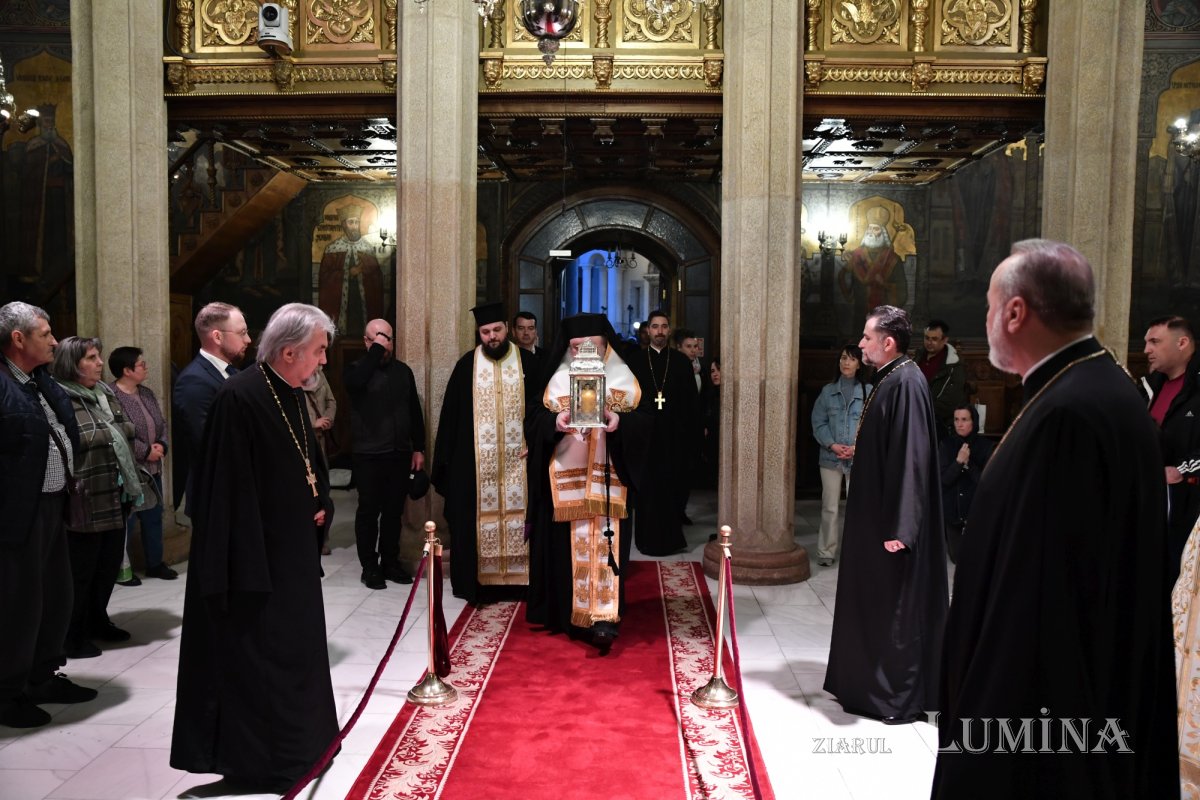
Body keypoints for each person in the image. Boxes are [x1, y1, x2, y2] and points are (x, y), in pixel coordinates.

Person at [933, 240, 1179, 798]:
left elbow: (1036, 612)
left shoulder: (1068, 415)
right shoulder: (1094, 386)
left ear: (1016, 313)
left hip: (1040, 736)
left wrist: (978, 752)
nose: (989, 319)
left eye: (992, 305)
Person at [171, 303, 338, 794]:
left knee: (296, 654)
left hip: (291, 556)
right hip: (256, 563)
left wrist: (318, 501)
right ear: (289, 352)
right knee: (262, 662)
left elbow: (305, 466)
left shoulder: (288, 390)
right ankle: (270, 764)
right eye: (319, 352)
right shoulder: (239, 397)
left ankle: (307, 750)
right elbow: (226, 493)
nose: (323, 361)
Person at [823, 305, 947, 725]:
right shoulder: (890, 378)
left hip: (890, 527)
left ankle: (891, 695)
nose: (860, 344)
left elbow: (913, 457)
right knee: (871, 605)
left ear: (887, 342)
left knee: (893, 609)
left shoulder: (907, 382)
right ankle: (864, 685)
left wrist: (902, 526)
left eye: (866, 337)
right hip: (873, 518)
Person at [524, 313, 650, 649]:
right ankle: (568, 613)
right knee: (565, 549)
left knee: (607, 546)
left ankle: (605, 618)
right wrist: (555, 422)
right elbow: (532, 419)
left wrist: (619, 422)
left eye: (591, 346)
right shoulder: (555, 381)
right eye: (576, 347)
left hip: (610, 482)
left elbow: (648, 425)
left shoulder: (627, 381)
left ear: (606, 345)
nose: (584, 352)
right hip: (566, 479)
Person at [0, 302, 97, 729]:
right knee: (19, 605)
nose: (55, 341)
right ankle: (7, 692)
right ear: (18, 339)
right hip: (16, 514)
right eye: (45, 333)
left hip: (52, 505)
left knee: (56, 596)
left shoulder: (40, 381)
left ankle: (42, 675)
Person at [432, 302, 538, 602]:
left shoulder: (528, 364)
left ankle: (522, 584)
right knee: (473, 521)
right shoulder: (467, 366)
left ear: (507, 329)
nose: (492, 337)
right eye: (485, 332)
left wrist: (537, 443)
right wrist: (448, 464)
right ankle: (478, 585)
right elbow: (450, 419)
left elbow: (542, 410)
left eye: (497, 330)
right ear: (479, 333)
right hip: (476, 466)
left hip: (521, 463)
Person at [51, 337, 142, 659]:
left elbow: (125, 432)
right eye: (92, 357)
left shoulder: (104, 394)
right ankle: (71, 635)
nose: (100, 363)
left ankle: (97, 620)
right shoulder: (59, 398)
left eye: (98, 356)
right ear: (72, 364)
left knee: (107, 567)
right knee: (82, 572)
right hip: (86, 497)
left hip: (116, 492)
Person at [344, 318, 425, 589]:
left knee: (393, 512)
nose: (384, 344)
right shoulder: (356, 369)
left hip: (399, 453)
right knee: (368, 511)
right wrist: (376, 351)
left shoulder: (403, 372)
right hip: (368, 454)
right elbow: (356, 385)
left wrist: (419, 447)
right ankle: (370, 566)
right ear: (367, 341)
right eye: (377, 338)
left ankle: (390, 562)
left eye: (388, 339)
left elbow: (414, 410)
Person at [627, 310, 700, 552]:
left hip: (674, 437)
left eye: (664, 326)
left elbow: (691, 403)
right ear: (648, 330)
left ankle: (671, 540)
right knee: (647, 491)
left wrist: (692, 435)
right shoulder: (636, 362)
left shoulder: (680, 363)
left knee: (671, 488)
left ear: (669, 330)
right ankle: (647, 541)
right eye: (655, 326)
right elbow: (629, 401)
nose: (659, 331)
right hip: (645, 437)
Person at [172, 302, 252, 517]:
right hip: (217, 493)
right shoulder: (194, 381)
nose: (248, 340)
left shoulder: (233, 372)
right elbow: (207, 444)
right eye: (242, 333)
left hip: (238, 489)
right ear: (217, 337)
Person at [108, 346, 173, 585]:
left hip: (153, 469)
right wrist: (146, 451)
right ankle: (122, 571)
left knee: (154, 517)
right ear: (126, 370)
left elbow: (161, 422)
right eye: (141, 364)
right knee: (128, 521)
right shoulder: (112, 396)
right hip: (130, 472)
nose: (146, 367)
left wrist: (161, 445)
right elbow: (117, 433)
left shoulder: (145, 392)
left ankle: (155, 563)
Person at [1143, 315, 1200, 576]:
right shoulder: (1148, 387)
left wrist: (1182, 469)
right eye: (1145, 342)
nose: (1146, 350)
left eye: (1155, 341)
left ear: (1183, 343)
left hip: (1190, 511)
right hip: (1154, 507)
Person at [810, 344, 871, 568]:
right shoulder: (827, 392)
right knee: (830, 507)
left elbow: (872, 425)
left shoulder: (868, 390)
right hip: (830, 457)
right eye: (843, 358)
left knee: (858, 507)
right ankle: (826, 551)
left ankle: (858, 552)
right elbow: (818, 422)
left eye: (852, 359)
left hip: (858, 457)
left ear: (859, 364)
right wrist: (833, 445)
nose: (846, 362)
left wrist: (856, 447)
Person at [936, 403, 993, 564]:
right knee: (957, 559)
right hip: (953, 513)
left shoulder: (985, 447)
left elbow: (986, 482)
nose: (959, 424)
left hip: (976, 513)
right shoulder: (946, 445)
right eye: (956, 419)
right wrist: (959, 462)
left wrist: (969, 464)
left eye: (964, 419)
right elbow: (943, 480)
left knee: (978, 560)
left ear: (973, 421)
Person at [317, 203, 384, 336]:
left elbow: (377, 278)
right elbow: (324, 278)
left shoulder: (367, 248)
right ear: (344, 224)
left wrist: (366, 272)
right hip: (341, 302)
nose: (354, 226)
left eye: (357, 222)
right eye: (351, 222)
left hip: (361, 301)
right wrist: (347, 273)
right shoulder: (333, 249)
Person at [839, 206, 908, 323]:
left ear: (883, 233)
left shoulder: (893, 258)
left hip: (882, 310)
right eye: (869, 229)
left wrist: (884, 284)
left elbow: (901, 287)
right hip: (861, 308)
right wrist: (848, 295)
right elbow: (842, 275)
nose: (871, 232)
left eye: (875, 229)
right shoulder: (857, 254)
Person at [914, 319, 966, 439]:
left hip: (938, 424)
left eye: (934, 339)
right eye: (927, 338)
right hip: (914, 418)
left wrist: (923, 412)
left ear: (944, 340)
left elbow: (951, 401)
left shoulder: (954, 364)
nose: (929, 342)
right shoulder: (918, 357)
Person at [304, 365, 337, 463]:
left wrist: (327, 419)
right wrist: (313, 423)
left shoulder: (319, 374)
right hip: (305, 439)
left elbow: (331, 400)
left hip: (321, 436)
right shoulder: (292, 378)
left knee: (323, 472)